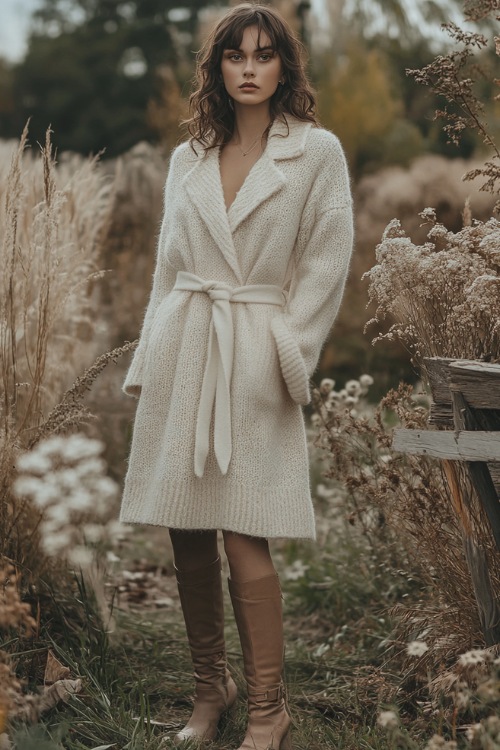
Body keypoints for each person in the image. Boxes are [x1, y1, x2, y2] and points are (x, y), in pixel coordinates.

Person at [119, 3, 353, 748]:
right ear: (217, 67)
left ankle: (266, 711)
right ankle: (208, 691)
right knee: (184, 530)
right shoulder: (189, 157)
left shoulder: (316, 153)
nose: (249, 68)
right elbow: (166, 267)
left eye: (263, 55)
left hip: (253, 351)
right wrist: (151, 354)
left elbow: (326, 262)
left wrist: (288, 345)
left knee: (245, 535)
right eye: (234, 56)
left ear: (285, 66)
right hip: (186, 346)